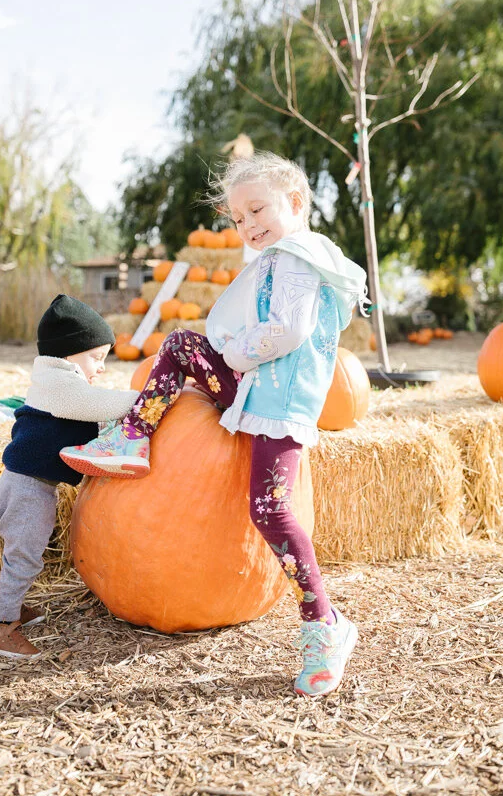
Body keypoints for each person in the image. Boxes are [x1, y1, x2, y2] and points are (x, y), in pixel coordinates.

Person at [59, 153, 367, 696]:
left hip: (279, 407)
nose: (248, 225)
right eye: (238, 218)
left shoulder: (296, 257)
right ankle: (132, 437)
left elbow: (288, 331)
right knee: (179, 345)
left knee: (269, 510)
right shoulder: (280, 257)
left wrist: (232, 354)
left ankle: (325, 623)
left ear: (295, 204)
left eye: (257, 210)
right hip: (257, 392)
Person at [0, 294, 139, 659]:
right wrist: (153, 396)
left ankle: (12, 606)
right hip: (27, 490)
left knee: (21, 556)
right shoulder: (60, 386)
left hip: (23, 484)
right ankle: (1, 629)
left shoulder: (54, 382)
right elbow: (107, 406)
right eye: (96, 358)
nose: (101, 367)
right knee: (23, 559)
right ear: (69, 353)